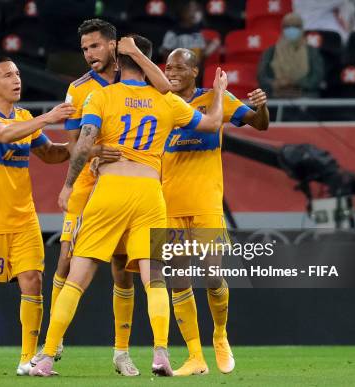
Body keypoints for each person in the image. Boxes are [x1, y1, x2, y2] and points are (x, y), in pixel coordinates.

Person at [30, 34, 227, 377]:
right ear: (150, 63)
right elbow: (212, 122)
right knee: (155, 280)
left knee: (77, 277)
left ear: (119, 64)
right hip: (151, 194)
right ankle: (161, 354)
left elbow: (85, 144)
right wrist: (220, 92)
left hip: (111, 189)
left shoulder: (101, 95)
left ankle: (46, 357)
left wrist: (68, 185)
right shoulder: (167, 101)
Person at [52, 18, 174, 377]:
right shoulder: (78, 90)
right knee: (66, 258)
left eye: (94, 46)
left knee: (125, 272)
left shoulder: (141, 79)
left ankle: (121, 353)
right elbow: (75, 144)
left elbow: (166, 92)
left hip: (123, 189)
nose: (89, 54)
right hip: (91, 185)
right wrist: (94, 152)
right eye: (84, 48)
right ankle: (50, 344)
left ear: (113, 47)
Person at [0, 57, 75, 377]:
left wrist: (81, 147)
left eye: (18, 74)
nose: (16, 79)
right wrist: (48, 118)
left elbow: (48, 153)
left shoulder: (24, 117)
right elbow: (4, 135)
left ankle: (27, 359)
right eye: (8, 75)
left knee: (33, 282)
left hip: (25, 218)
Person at [163, 48, 269, 376]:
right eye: (168, 67)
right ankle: (195, 357)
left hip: (206, 202)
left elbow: (259, 125)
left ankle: (220, 335)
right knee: (177, 280)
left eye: (179, 67)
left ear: (195, 71)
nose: (172, 72)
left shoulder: (215, 99)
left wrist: (262, 107)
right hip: (168, 204)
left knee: (211, 275)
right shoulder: (160, 103)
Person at [257, 12, 324, 98]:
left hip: (305, 96)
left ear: (302, 29)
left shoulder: (311, 52)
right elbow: (262, 76)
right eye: (287, 26)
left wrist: (296, 83)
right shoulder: (271, 51)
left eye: (296, 26)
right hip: (276, 96)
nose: (291, 29)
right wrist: (275, 83)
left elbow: (317, 77)